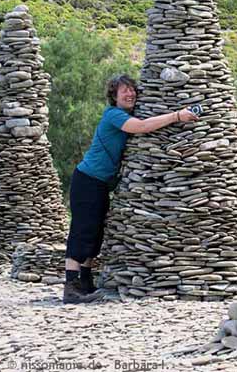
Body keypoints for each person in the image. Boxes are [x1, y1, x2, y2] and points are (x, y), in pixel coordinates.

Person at [63, 74, 199, 304]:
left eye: (132, 90)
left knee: (95, 233)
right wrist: (177, 115)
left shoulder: (125, 114)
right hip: (87, 180)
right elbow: (142, 127)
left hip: (99, 184)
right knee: (82, 230)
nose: (130, 94)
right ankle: (71, 287)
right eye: (124, 91)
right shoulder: (114, 115)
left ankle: (85, 282)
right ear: (114, 96)